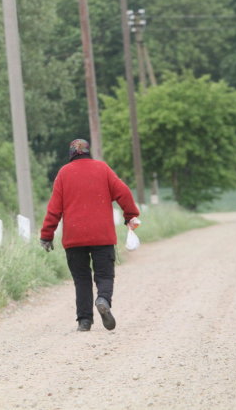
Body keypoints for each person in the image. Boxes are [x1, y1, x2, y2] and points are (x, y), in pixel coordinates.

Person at [39, 139, 140, 332]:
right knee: (104, 274)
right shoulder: (102, 169)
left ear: (71, 153)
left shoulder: (63, 174)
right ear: (88, 152)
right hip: (102, 235)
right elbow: (124, 192)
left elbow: (54, 209)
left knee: (82, 278)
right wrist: (130, 215)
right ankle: (103, 299)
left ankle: (84, 321)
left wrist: (47, 235)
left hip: (74, 238)